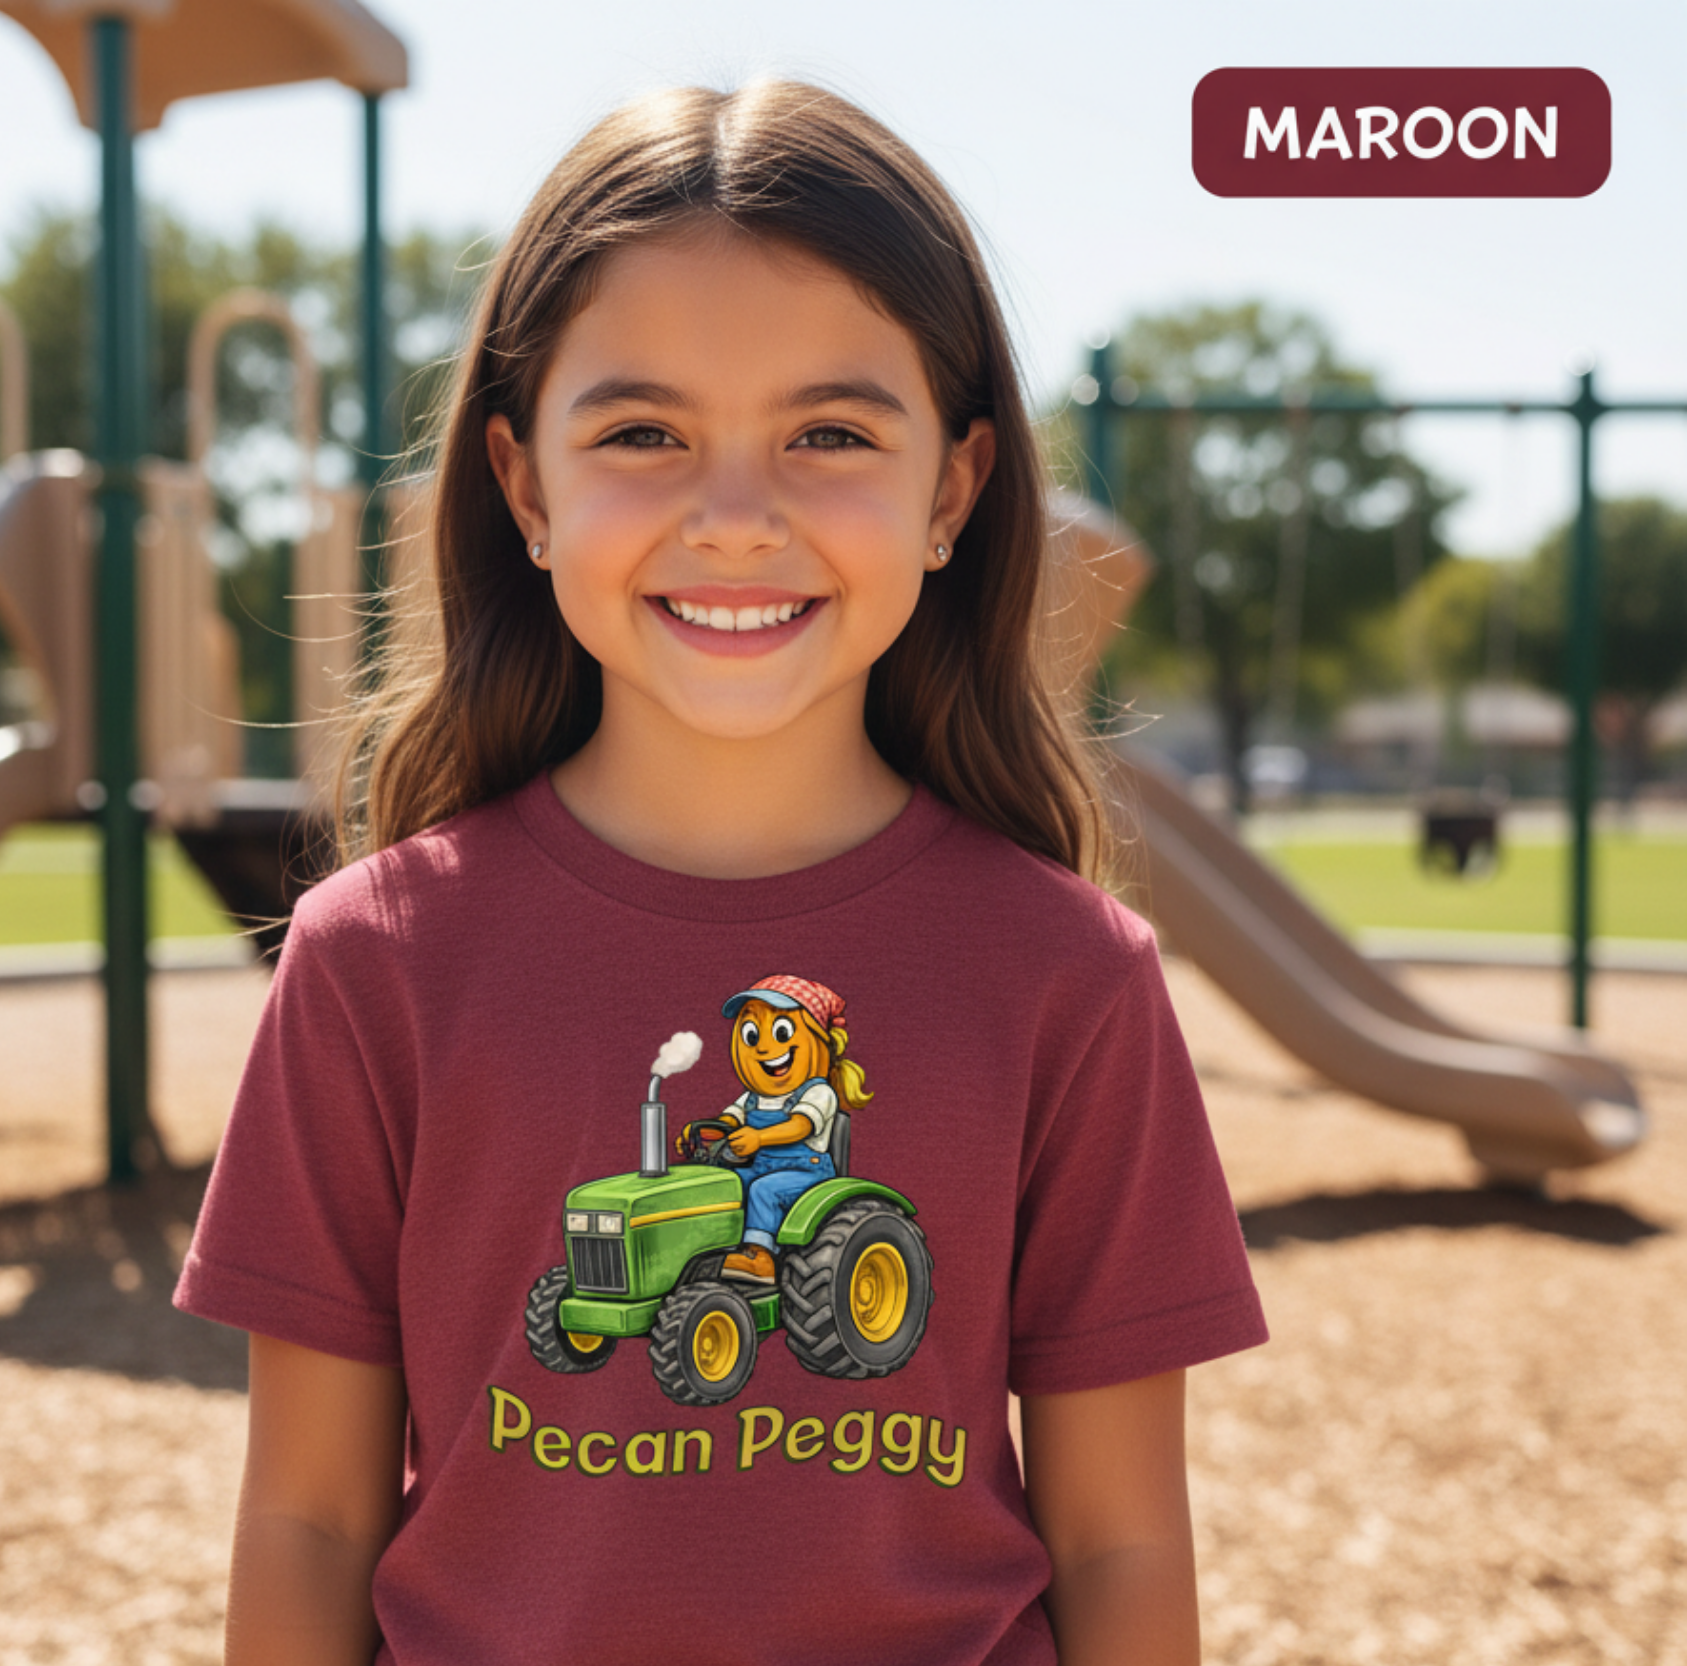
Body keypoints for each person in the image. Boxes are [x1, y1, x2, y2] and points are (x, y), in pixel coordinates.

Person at [174, 77, 1267, 1666]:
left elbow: (1118, 1535)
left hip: (798, 1231)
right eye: (642, 432)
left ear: (950, 490)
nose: (736, 517)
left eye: (828, 432)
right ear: (526, 486)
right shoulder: (373, 959)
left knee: (794, 1227)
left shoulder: (1066, 977)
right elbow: (310, 1519)